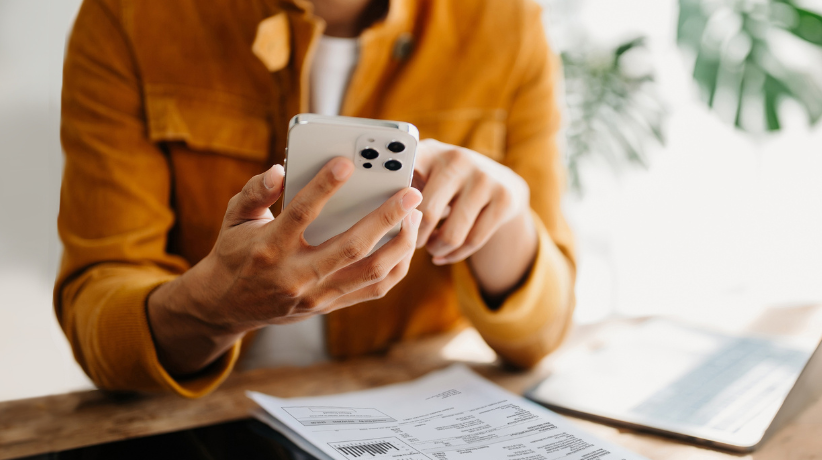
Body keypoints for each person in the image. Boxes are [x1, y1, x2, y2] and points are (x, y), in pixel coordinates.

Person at [56, 0, 576, 398]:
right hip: (202, 416)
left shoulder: (507, 23)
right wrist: (215, 307)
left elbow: (542, 338)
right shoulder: (130, 14)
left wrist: (506, 218)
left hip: (408, 410)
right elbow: (97, 315)